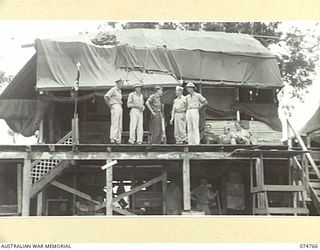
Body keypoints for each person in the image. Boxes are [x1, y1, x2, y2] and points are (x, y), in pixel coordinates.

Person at [104, 78, 124, 144]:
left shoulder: (119, 91)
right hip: (115, 105)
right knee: (115, 123)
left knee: (119, 124)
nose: (122, 84)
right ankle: (113, 138)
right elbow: (106, 97)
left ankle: (118, 139)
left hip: (119, 106)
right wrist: (110, 107)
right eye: (121, 83)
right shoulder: (113, 89)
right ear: (118, 83)